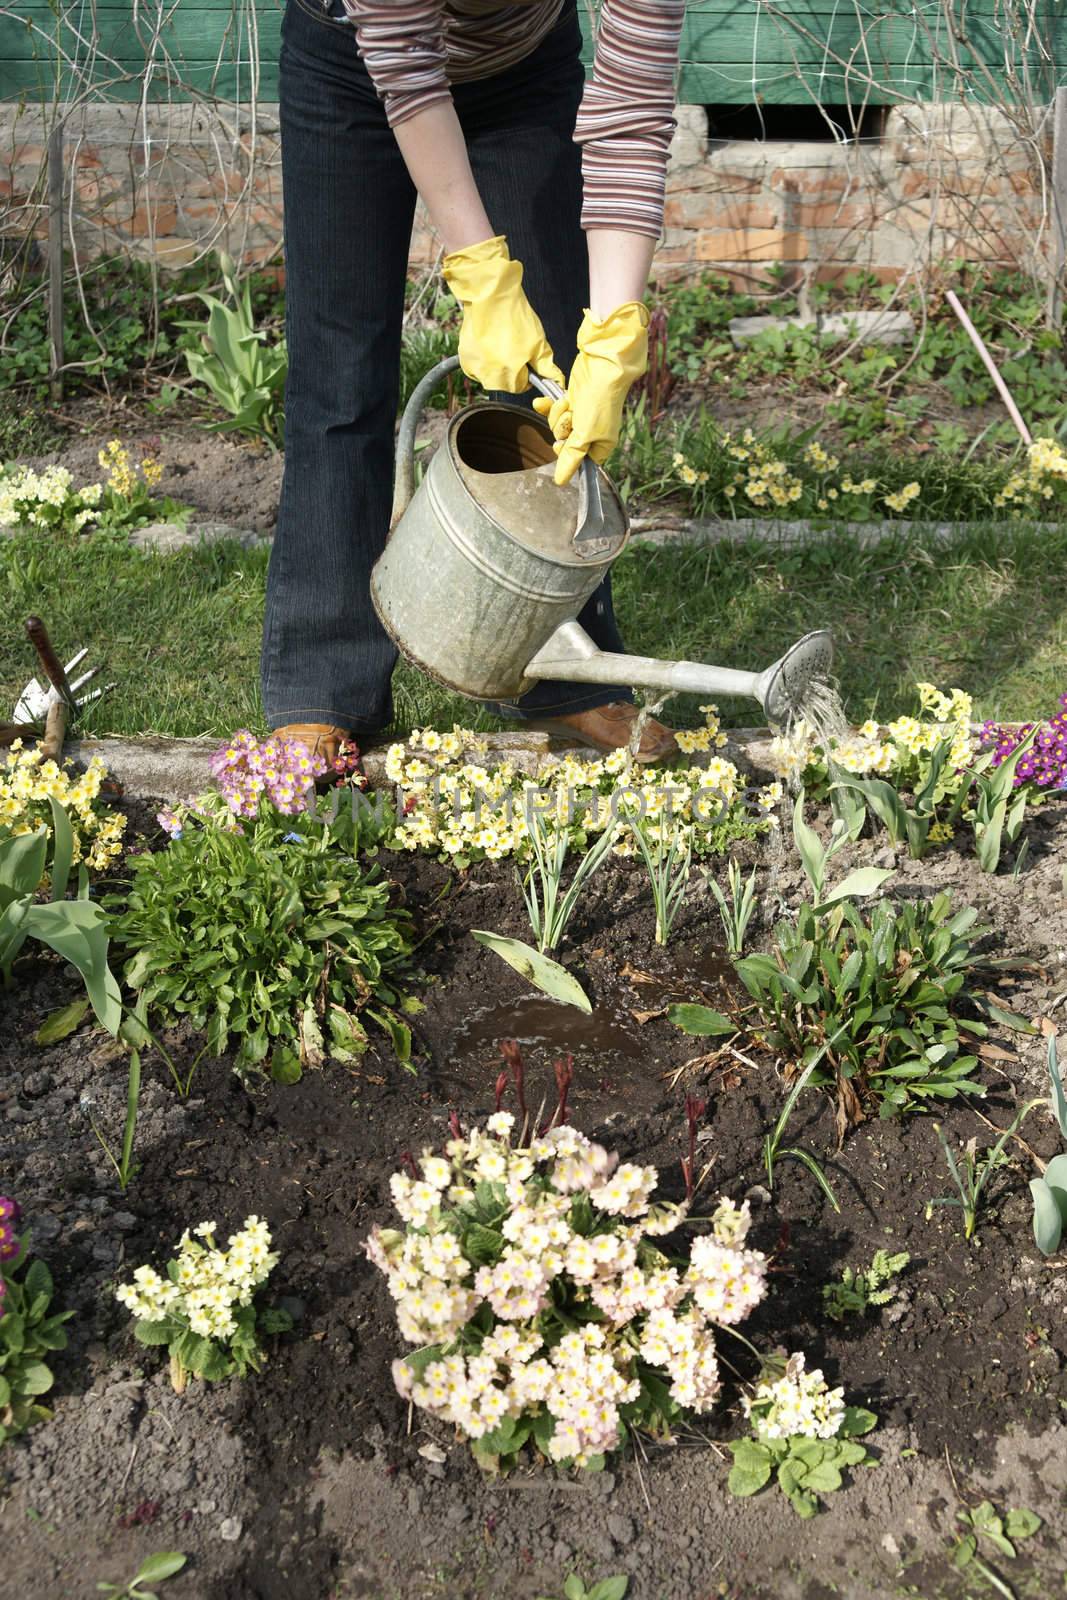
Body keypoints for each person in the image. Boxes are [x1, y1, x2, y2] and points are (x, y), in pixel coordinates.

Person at [263, 0, 686, 773]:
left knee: (549, 375)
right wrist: (481, 276)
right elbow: (407, 64)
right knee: (341, 381)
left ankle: (565, 676)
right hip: (353, 62)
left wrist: (614, 329)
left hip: (524, 71)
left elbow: (631, 112)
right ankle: (325, 690)